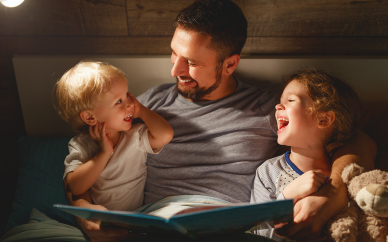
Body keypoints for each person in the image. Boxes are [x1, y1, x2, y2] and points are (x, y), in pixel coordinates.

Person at [65, 1, 376, 241]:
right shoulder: (147, 106)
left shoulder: (272, 109)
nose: (175, 70)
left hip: (231, 228)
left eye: (192, 63)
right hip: (158, 225)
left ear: (229, 64)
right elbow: (85, 154)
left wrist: (334, 192)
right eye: (174, 54)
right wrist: (82, 210)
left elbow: (360, 140)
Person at [250, 68, 362, 241]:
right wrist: (287, 197)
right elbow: (258, 234)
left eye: (290, 100)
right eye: (281, 101)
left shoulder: (349, 174)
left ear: (323, 119)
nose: (278, 106)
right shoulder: (268, 173)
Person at [56, 61, 174, 212]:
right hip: (104, 220)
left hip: (137, 215)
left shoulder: (134, 135)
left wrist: (141, 110)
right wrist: (104, 154)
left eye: (127, 96)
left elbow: (165, 134)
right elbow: (75, 187)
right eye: (119, 101)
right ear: (90, 117)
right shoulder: (81, 145)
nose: (130, 104)